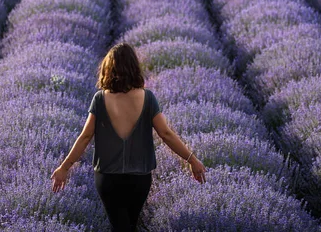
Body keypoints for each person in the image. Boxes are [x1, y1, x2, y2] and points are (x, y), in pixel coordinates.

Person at [51, 42, 206, 231]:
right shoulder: (147, 98)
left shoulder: (100, 99)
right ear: (134, 68)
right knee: (129, 225)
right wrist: (191, 159)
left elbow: (85, 137)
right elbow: (166, 134)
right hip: (139, 177)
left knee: (121, 226)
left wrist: (64, 167)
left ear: (108, 68)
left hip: (108, 177)